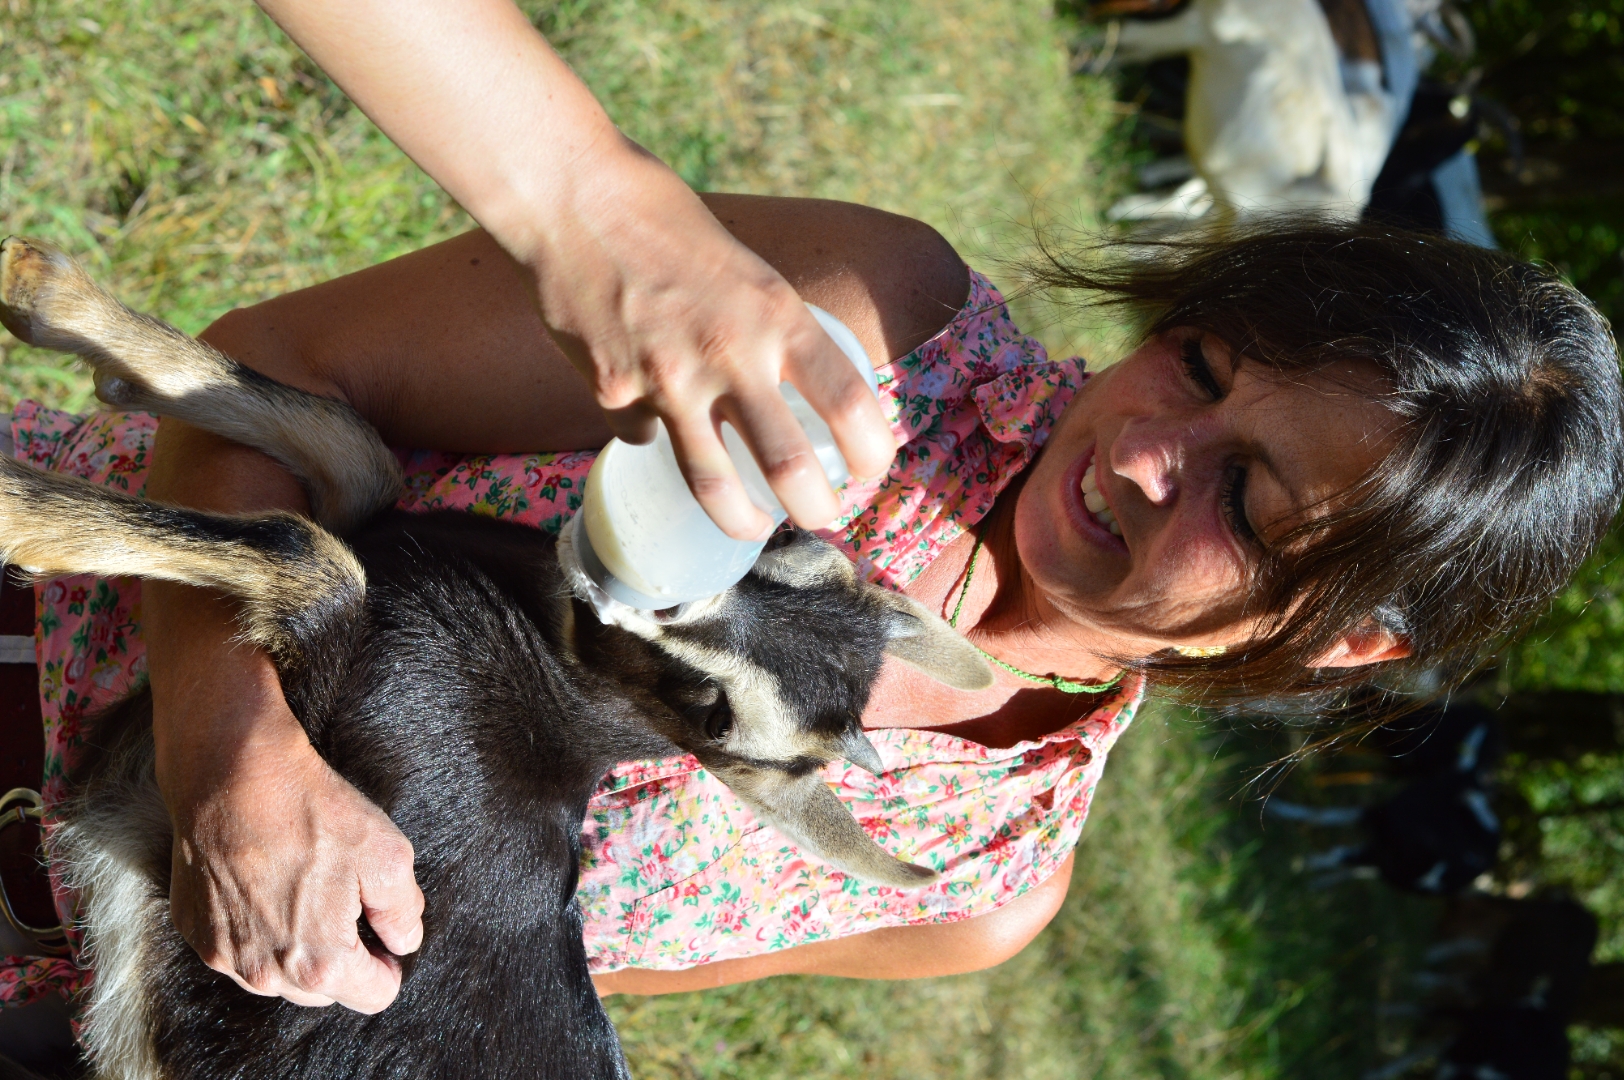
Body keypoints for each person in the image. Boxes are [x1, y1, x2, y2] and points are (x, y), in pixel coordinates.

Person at [8, 201, 1621, 1016]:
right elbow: (273, 373)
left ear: (1343, 637)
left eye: (1249, 498)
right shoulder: (858, 340)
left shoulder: (977, 883)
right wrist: (233, 752)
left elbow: (500, 976)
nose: (1143, 456)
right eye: (1195, 366)